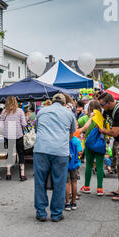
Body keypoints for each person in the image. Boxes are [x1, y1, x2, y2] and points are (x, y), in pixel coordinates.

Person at [33, 93, 76, 222]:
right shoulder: (69, 113)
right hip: (60, 152)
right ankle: (56, 214)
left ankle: (41, 213)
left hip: (41, 149)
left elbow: (36, 130)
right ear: (64, 103)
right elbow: (72, 133)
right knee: (59, 183)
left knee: (39, 182)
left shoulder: (42, 111)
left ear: (52, 102)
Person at [78, 101, 106, 196]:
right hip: (100, 144)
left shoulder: (85, 118)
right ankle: (100, 188)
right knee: (100, 166)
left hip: (89, 145)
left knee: (89, 166)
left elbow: (77, 124)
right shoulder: (103, 118)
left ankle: (86, 186)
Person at [0, 96, 27, 181]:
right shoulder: (20, 111)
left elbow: (1, 125)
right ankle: (22, 174)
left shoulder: (4, 111)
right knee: (21, 153)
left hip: (8, 135)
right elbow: (24, 124)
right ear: (15, 102)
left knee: (10, 153)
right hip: (18, 135)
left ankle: (8, 173)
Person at [65, 134, 83, 211]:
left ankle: (67, 203)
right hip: (75, 164)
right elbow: (80, 153)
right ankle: (74, 202)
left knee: (67, 182)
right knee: (74, 182)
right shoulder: (77, 140)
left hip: (65, 164)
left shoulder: (64, 138)